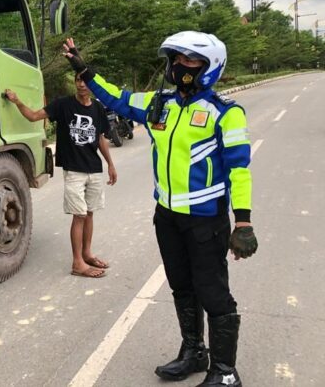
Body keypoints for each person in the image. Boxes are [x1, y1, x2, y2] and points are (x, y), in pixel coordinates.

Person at [64, 32, 257, 386]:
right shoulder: (159, 104)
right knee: (182, 287)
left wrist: (242, 222)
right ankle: (194, 352)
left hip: (205, 220)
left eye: (189, 60)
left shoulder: (225, 113)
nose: (179, 66)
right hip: (166, 217)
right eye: (176, 59)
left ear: (210, 66)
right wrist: (85, 70)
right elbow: (118, 99)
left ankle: (226, 372)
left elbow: (239, 169)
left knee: (213, 293)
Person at [4, 73, 117, 279]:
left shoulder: (98, 108)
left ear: (92, 85)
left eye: (85, 81)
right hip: (74, 169)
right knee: (80, 215)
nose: (81, 84)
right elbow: (33, 116)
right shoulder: (63, 105)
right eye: (78, 80)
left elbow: (100, 138)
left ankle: (87, 254)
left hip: (94, 167)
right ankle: (77, 263)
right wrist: (17, 101)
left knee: (90, 212)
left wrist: (110, 164)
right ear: (75, 83)